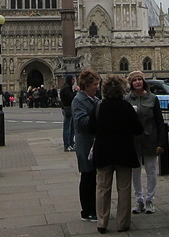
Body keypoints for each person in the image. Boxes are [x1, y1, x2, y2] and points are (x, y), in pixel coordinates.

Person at [91, 75, 143, 233]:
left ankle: (102, 222)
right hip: (124, 153)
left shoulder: (99, 106)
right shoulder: (126, 107)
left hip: (104, 153)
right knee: (124, 189)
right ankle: (122, 223)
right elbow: (138, 129)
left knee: (102, 189)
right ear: (122, 90)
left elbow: (90, 128)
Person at [125, 70, 165, 215]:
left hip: (149, 139)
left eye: (139, 79)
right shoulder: (127, 100)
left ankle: (150, 200)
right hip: (133, 140)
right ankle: (139, 200)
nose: (137, 82)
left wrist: (161, 142)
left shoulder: (153, 99)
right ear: (131, 83)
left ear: (143, 81)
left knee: (151, 170)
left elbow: (160, 122)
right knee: (135, 171)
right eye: (135, 80)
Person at [71, 69, 100, 222]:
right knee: (87, 177)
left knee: (91, 177)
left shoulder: (93, 99)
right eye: (95, 84)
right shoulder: (79, 100)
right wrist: (98, 120)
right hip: (85, 144)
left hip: (93, 143)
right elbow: (81, 122)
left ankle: (93, 208)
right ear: (86, 84)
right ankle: (87, 210)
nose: (97, 87)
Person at [60, 74, 77, 152]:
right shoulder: (66, 88)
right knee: (67, 128)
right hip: (68, 110)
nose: (74, 81)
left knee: (72, 127)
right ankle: (67, 145)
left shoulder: (67, 87)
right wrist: (76, 91)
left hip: (70, 109)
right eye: (73, 79)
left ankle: (71, 143)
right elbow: (70, 98)